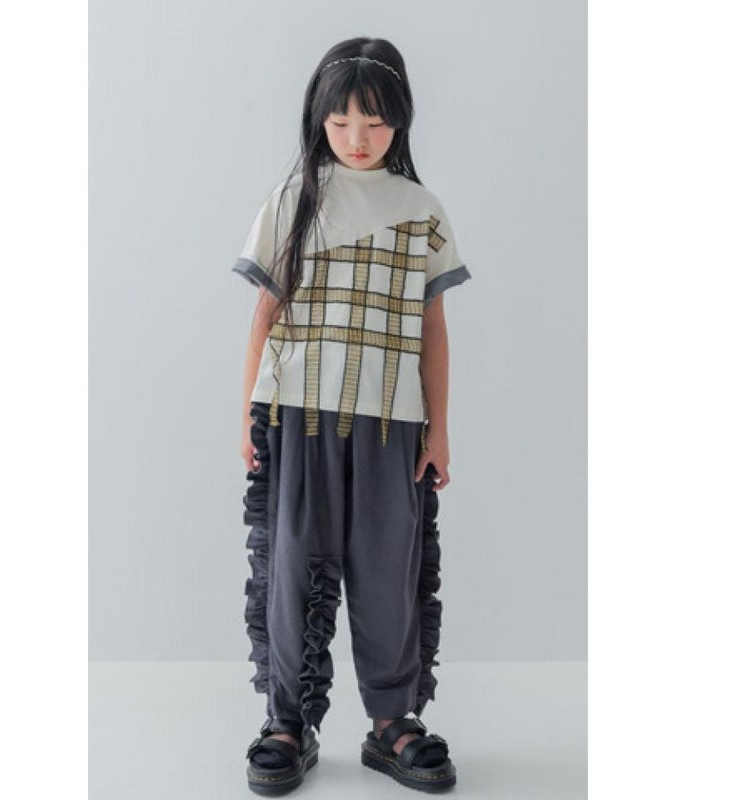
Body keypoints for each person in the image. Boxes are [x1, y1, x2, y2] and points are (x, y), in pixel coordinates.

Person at [233, 37, 471, 795]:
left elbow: (433, 330)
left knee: (388, 566)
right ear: (320, 121)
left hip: (391, 421)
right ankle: (286, 721)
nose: (357, 138)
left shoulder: (422, 212)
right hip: (297, 414)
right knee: (291, 565)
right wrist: (246, 415)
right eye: (340, 123)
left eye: (373, 121)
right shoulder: (294, 201)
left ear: (400, 119)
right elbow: (265, 316)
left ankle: (393, 721)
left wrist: (438, 429)